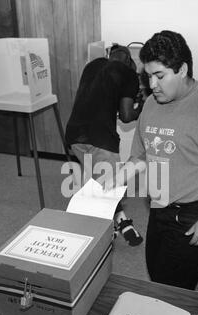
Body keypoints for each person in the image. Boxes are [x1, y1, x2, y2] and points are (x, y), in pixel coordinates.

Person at [106, 30, 198, 290]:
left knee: (177, 289)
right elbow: (141, 155)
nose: (152, 84)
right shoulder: (151, 104)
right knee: (157, 273)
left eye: (159, 76)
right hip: (159, 207)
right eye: (148, 76)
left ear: (182, 69)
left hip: (193, 214)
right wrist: (114, 180)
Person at [65, 44, 144, 246]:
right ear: (129, 62)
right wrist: (141, 106)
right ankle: (99, 236)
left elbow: (98, 98)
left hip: (75, 136)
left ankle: (121, 221)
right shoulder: (129, 74)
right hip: (102, 140)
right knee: (109, 189)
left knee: (100, 185)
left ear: (110, 54)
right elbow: (126, 116)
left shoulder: (92, 65)